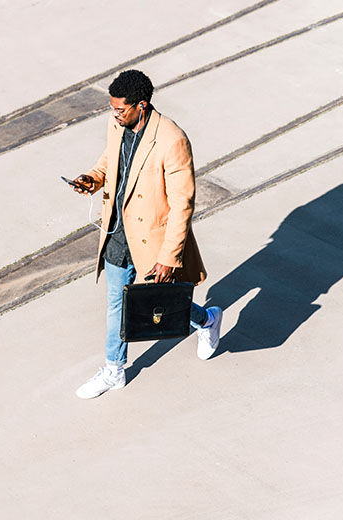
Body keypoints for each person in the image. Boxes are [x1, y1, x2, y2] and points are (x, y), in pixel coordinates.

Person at [71, 69, 223, 399]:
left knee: (161, 303)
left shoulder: (172, 139)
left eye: (120, 109)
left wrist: (169, 256)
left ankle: (207, 321)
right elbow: (111, 161)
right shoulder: (118, 124)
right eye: (112, 109)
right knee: (118, 304)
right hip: (116, 232)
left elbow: (183, 204)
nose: (114, 115)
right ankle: (114, 370)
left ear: (141, 105)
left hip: (151, 242)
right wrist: (92, 179)